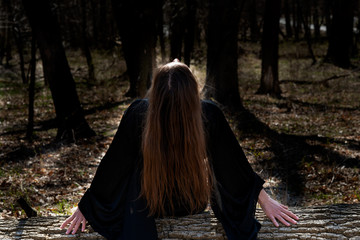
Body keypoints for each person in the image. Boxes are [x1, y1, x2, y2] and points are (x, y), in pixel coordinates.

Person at [60, 60, 299, 239]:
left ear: (156, 93)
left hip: (148, 206)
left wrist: (89, 205)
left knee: (134, 168)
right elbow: (233, 166)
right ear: (192, 92)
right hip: (190, 204)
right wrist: (264, 199)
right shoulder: (208, 113)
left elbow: (114, 167)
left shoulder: (138, 112)